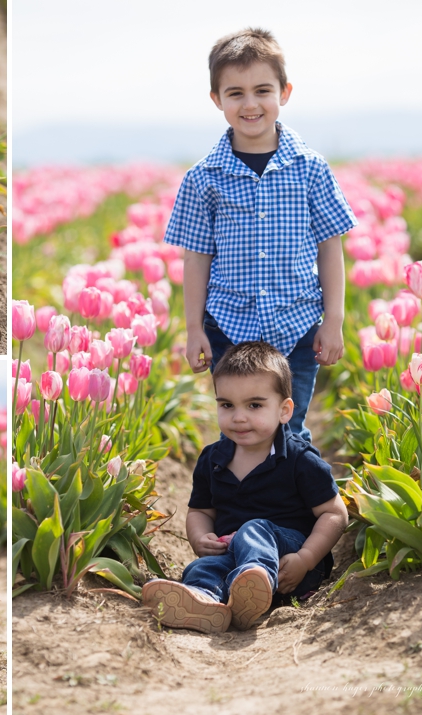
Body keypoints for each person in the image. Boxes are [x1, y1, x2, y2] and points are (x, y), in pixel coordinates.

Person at [163, 27, 358, 443]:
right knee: (240, 429)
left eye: (262, 90)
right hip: (228, 327)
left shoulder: (311, 168)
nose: (250, 104)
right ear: (217, 99)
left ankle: (296, 505)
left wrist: (334, 320)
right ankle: (240, 502)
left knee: (291, 427)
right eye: (235, 93)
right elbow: (196, 258)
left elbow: (330, 244)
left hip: (299, 324)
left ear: (284, 93)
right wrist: (193, 328)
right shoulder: (203, 178)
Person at [141, 342, 348, 633]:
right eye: (227, 405)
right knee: (201, 569)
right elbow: (200, 510)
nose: (238, 417)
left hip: (291, 562)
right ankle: (206, 601)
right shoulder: (213, 459)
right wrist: (200, 539)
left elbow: (335, 514)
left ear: (284, 410)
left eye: (254, 405)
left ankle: (257, 577)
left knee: (254, 530)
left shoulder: (300, 459)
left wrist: (306, 558)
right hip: (232, 554)